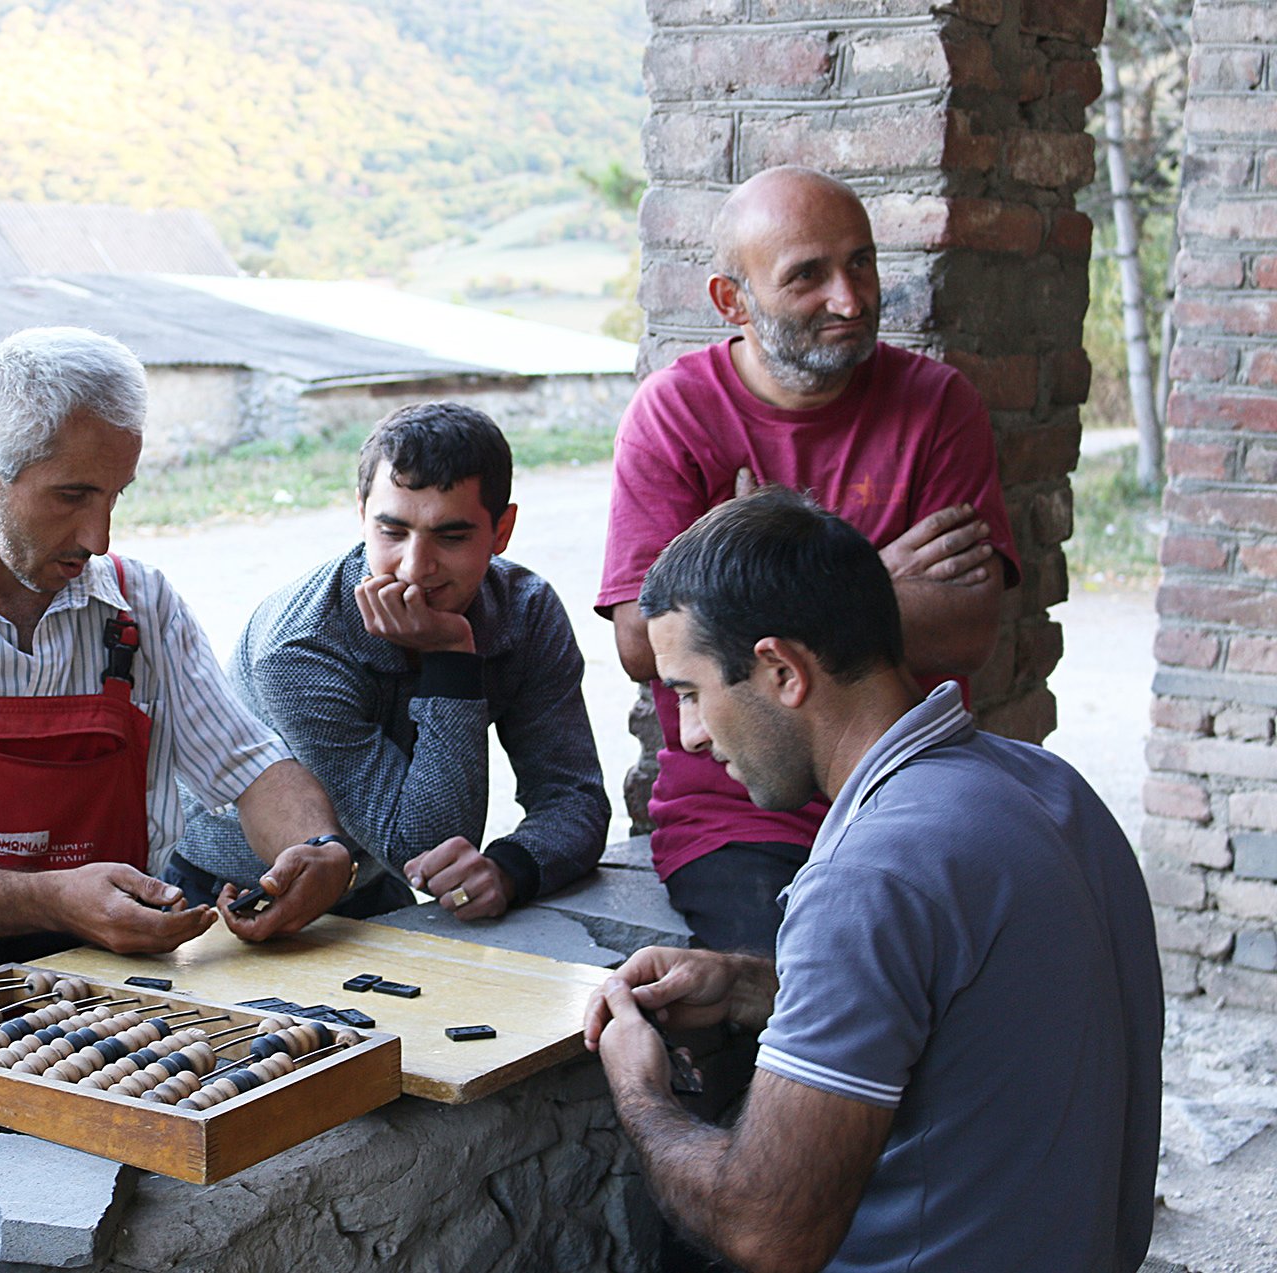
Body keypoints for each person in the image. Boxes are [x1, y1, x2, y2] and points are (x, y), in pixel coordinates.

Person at [585, 487, 1161, 1273]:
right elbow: (961, 1003)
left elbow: (769, 1230)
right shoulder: (1051, 790)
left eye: (690, 692)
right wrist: (756, 985)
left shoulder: (872, 873)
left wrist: (641, 1093)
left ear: (781, 670)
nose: (685, 733)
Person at [0, 327, 363, 1013]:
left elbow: (251, 766)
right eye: (72, 496)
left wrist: (318, 847)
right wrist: (55, 898)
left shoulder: (142, 605)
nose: (99, 538)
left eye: (115, 495)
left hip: (106, 990)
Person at [598, 165, 1020, 955]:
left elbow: (966, 629)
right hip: (741, 817)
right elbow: (637, 642)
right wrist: (873, 582)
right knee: (808, 987)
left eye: (860, 262)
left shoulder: (938, 405)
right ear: (733, 300)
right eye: (808, 277)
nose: (850, 299)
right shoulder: (675, 415)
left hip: (912, 788)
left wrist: (747, 576)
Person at [168, 402, 609, 918]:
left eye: (452, 536)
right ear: (361, 514)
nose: (416, 568)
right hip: (225, 895)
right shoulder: (300, 647)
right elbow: (423, 846)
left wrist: (510, 869)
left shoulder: (525, 610)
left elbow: (575, 798)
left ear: (502, 531)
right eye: (392, 532)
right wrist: (451, 659)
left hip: (369, 886)